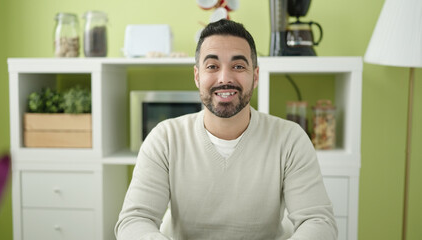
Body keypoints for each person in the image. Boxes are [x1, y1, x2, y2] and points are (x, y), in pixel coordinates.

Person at [115, 19, 337, 240]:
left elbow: (318, 221)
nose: (225, 78)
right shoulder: (164, 138)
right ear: (197, 76)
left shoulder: (290, 139)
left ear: (255, 76)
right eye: (212, 66)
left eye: (238, 66)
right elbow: (135, 220)